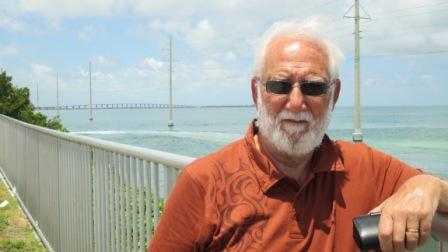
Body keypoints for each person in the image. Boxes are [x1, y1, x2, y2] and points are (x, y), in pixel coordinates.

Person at [148, 17, 448, 252]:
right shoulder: (204, 181)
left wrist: (428, 187)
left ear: (335, 94)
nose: (295, 102)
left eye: (313, 87)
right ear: (256, 92)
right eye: (279, 85)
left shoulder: (367, 167)